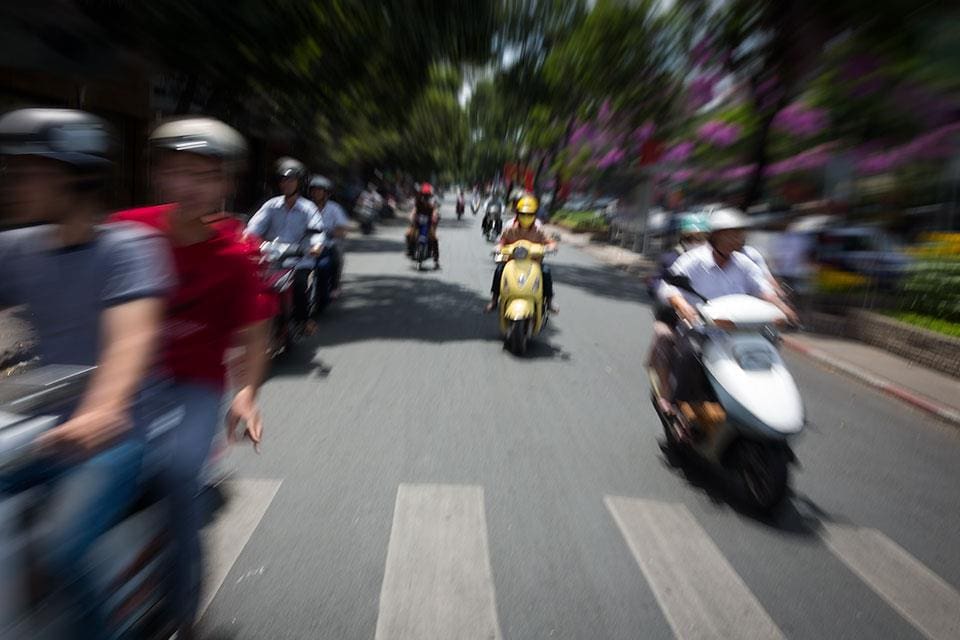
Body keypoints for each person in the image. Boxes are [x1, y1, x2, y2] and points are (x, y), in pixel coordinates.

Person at [0, 108, 174, 639]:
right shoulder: (15, 248)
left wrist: (104, 408)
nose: (13, 181)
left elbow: (131, 340)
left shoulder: (128, 249)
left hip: (112, 438)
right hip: (32, 430)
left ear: (76, 175)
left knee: (62, 545)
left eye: (30, 169)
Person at [111, 117, 269, 639]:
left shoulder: (239, 255)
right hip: (119, 378)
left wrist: (245, 395)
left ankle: (183, 612)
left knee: (180, 475)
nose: (188, 186)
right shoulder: (127, 230)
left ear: (225, 184)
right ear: (159, 175)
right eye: (177, 172)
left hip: (193, 385)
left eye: (204, 175)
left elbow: (252, 335)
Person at [650, 207, 798, 417]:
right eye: (731, 233)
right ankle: (682, 406)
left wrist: (782, 307)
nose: (737, 238)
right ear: (716, 236)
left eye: (739, 233)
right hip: (702, 330)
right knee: (692, 353)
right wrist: (681, 304)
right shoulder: (695, 259)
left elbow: (763, 288)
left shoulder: (745, 263)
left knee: (767, 351)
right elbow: (669, 285)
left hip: (739, 332)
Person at [246, 158, 325, 335]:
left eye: (291, 179)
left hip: (299, 260)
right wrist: (246, 240)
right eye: (283, 179)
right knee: (249, 283)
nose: (286, 183)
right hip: (271, 258)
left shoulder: (308, 208)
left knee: (299, 284)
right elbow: (253, 228)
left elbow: (317, 230)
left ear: (300, 182)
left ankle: (303, 321)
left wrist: (316, 246)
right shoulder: (271, 205)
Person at [483, 195, 558, 314]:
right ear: (518, 214)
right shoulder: (510, 228)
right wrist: (498, 248)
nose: (526, 217)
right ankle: (494, 299)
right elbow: (502, 242)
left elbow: (550, 241)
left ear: (534, 215)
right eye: (523, 214)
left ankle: (549, 301)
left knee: (546, 271)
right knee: (499, 270)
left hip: (533, 262)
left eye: (529, 214)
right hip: (511, 261)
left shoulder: (539, 230)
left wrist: (551, 247)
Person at [309, 174, 350, 298]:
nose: (317, 193)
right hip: (307, 242)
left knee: (337, 254)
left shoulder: (334, 208)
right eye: (314, 190)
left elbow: (342, 228)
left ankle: (335, 285)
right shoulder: (306, 207)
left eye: (320, 190)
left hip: (329, 242)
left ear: (326, 193)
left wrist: (330, 232)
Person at [405, 182, 440, 268]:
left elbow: (435, 212)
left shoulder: (431, 205)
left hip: (427, 225)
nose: (425, 197)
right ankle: (410, 250)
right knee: (408, 234)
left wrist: (435, 216)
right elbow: (414, 211)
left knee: (434, 238)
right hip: (417, 225)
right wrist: (411, 216)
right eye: (424, 195)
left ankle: (436, 260)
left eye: (427, 195)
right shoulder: (418, 203)